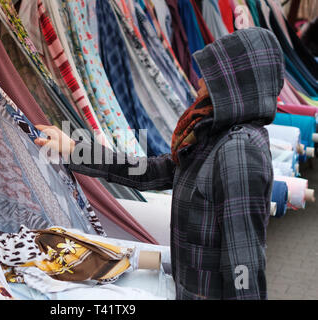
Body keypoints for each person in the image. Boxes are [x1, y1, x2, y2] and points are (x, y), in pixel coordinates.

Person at [34, 27, 285, 300]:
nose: (200, 80)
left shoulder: (239, 150)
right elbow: (148, 171)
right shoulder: (212, 137)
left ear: (232, 83)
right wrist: (74, 150)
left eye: (212, 74)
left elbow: (244, 261)